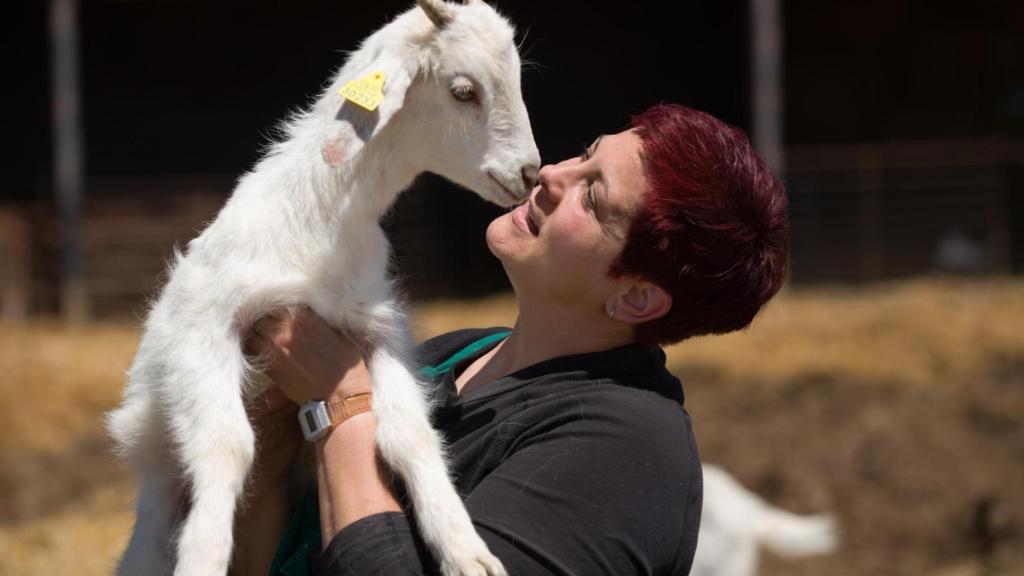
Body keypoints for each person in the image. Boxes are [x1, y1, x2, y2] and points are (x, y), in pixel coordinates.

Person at [229, 103, 789, 576]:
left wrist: (341, 405)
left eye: (592, 197)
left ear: (636, 298)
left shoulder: (627, 451)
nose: (552, 174)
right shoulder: (454, 355)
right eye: (585, 153)